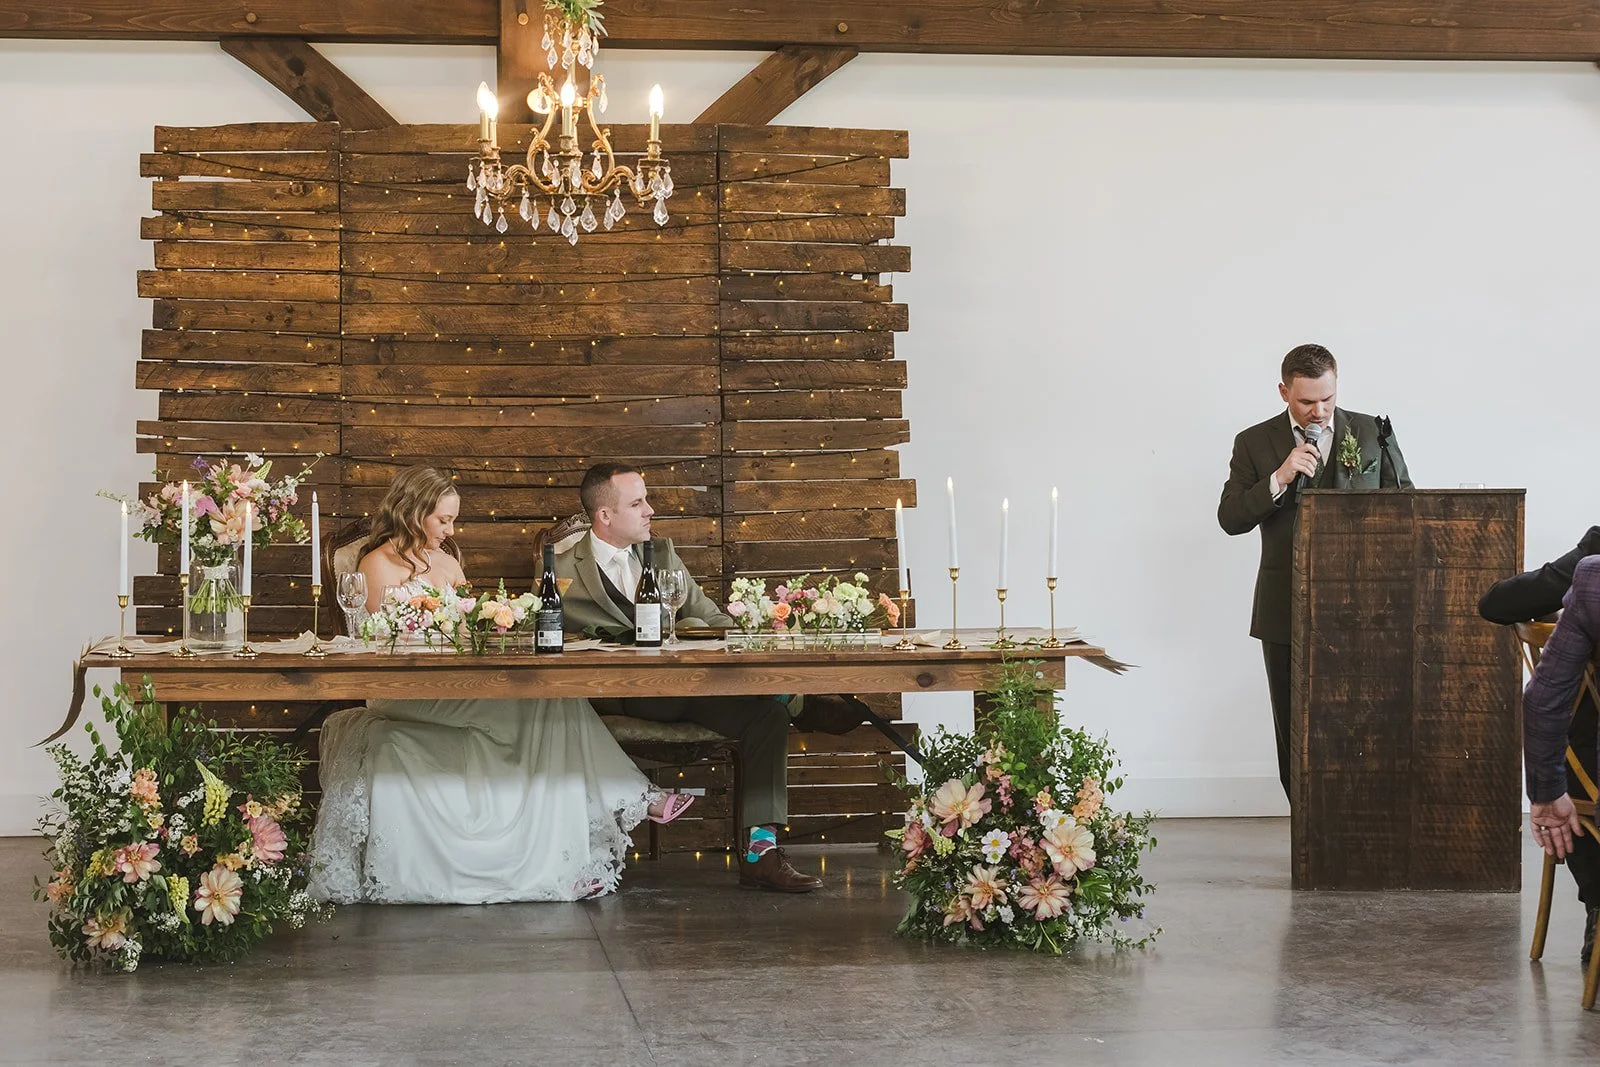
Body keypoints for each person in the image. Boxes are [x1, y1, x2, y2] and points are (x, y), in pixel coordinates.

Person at [308, 466, 692, 904]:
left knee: (554, 699)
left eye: (453, 520)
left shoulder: (449, 563)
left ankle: (563, 859)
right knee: (550, 704)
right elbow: (379, 645)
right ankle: (634, 796)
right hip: (404, 693)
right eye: (443, 521)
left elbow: (468, 634)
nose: (450, 531)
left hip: (454, 687)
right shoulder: (375, 565)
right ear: (413, 513)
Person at [555, 462, 823, 893]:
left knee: (765, 717)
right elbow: (546, 634)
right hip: (616, 697)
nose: (651, 511)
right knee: (779, 703)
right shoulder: (561, 566)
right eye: (638, 503)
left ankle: (761, 852)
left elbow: (708, 614)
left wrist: (735, 640)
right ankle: (803, 703)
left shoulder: (662, 555)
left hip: (682, 689)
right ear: (604, 515)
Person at [1217, 343, 1414, 799]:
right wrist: (1279, 478)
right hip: (1283, 606)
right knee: (1293, 723)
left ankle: (1358, 825)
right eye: (1306, 402)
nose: (1319, 411)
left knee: (1362, 722)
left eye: (1327, 398)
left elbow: (1406, 507)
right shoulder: (1254, 441)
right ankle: (1305, 830)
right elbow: (1230, 519)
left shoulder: (1371, 432)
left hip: (1365, 610)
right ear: (1284, 391)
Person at [1482, 528, 1600, 962]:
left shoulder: (1590, 572)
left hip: (1586, 780)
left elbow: (1496, 603)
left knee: (1574, 740)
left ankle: (1598, 908)